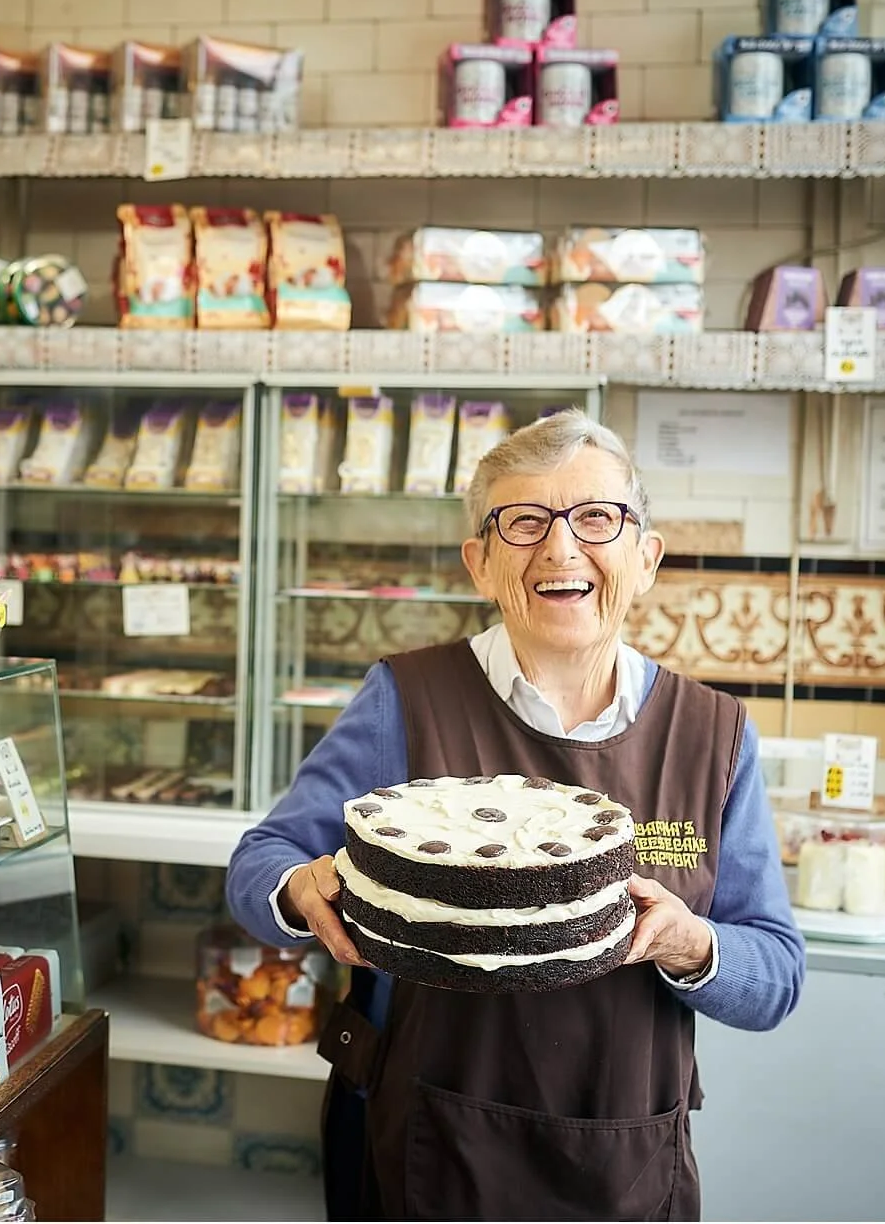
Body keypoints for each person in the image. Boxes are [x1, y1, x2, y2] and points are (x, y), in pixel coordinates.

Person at [226, 408, 803, 1222]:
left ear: (645, 558)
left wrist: (690, 940)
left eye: (597, 518)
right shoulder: (407, 699)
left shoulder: (713, 736)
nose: (562, 549)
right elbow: (264, 856)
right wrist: (296, 890)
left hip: (626, 1161)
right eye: (525, 522)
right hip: (430, 1145)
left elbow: (776, 975)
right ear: (481, 563)